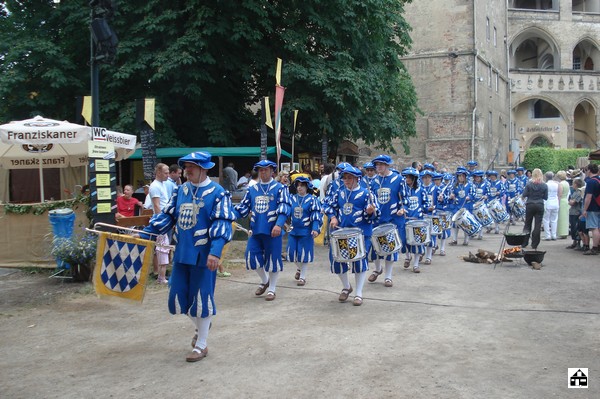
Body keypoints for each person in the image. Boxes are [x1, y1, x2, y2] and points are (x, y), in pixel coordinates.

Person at [142, 151, 235, 362]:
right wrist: (145, 232)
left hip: (204, 255)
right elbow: (167, 216)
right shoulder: (181, 190)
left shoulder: (218, 193)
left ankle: (201, 345)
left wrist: (215, 252)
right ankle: (203, 325)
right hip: (182, 252)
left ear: (204, 168)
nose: (187, 170)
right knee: (179, 297)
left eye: (192, 166)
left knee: (202, 298)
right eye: (186, 166)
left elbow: (222, 223)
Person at [233, 160, 292, 301]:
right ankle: (265, 281)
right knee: (251, 257)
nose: (263, 172)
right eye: (260, 170)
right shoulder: (252, 189)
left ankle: (272, 288)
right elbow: (243, 207)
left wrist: (278, 225)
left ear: (272, 171)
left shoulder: (280, 188)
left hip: (273, 230)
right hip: (256, 229)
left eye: (265, 170)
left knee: (273, 259)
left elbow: (284, 208)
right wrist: (228, 215)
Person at [323, 165, 380, 306]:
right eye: (344, 177)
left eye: (349, 178)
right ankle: (346, 286)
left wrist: (370, 211)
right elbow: (328, 206)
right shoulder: (339, 193)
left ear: (357, 178)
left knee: (359, 261)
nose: (346, 180)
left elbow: (375, 213)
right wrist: (333, 217)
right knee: (337, 261)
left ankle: (359, 293)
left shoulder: (367, 194)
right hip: (342, 233)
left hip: (360, 233)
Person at [367, 154, 404, 286]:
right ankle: (377, 269)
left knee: (390, 248)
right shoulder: (373, 181)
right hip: (377, 218)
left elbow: (404, 197)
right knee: (375, 247)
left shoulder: (398, 179)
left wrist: (402, 209)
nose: (378, 167)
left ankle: (388, 276)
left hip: (392, 218)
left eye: (381, 164)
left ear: (387, 165)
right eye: (377, 165)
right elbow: (370, 199)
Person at [287, 177, 322, 286]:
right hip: (293, 231)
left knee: (304, 254)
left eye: (302, 185)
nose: (299, 187)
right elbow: (285, 212)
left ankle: (302, 277)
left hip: (306, 231)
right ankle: (299, 268)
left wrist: (315, 229)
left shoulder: (313, 200)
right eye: (298, 185)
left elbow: (316, 215)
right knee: (291, 254)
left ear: (307, 187)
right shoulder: (291, 198)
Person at [147, 163, 171, 283]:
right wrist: (162, 223)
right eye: (166, 173)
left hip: (165, 219)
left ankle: (162, 276)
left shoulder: (163, 184)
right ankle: (161, 277)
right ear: (159, 172)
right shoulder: (155, 186)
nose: (168, 175)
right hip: (161, 222)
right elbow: (156, 206)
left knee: (164, 248)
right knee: (162, 248)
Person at [521, 168, 548, 250]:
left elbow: (524, 194)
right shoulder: (544, 185)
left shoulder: (529, 184)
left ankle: (524, 242)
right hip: (539, 204)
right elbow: (546, 197)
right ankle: (535, 244)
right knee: (537, 225)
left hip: (530, 204)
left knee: (527, 223)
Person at [581, 163, 600, 255]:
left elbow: (588, 197)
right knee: (598, 228)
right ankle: (598, 245)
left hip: (593, 207)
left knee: (594, 228)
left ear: (589, 170)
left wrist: (584, 209)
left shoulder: (591, 182)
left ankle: (595, 247)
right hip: (598, 205)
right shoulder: (599, 180)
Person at [566, 178, 584, 249]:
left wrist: (571, 201)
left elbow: (573, 202)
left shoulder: (579, 192)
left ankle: (578, 242)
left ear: (576, 184)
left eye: (573, 183)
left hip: (576, 212)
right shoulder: (575, 192)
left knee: (576, 228)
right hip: (573, 212)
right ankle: (574, 242)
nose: (572, 185)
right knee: (573, 227)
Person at [543, 171, 561, 241]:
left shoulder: (546, 185)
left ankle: (548, 235)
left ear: (546, 177)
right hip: (555, 202)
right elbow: (559, 194)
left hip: (548, 203)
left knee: (546, 220)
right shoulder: (557, 184)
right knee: (554, 220)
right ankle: (554, 235)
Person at [555, 170, 570, 239]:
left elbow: (559, 195)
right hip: (566, 200)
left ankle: (561, 232)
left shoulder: (560, 184)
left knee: (561, 218)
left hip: (561, 201)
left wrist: (557, 203)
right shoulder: (567, 183)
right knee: (565, 218)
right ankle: (565, 232)